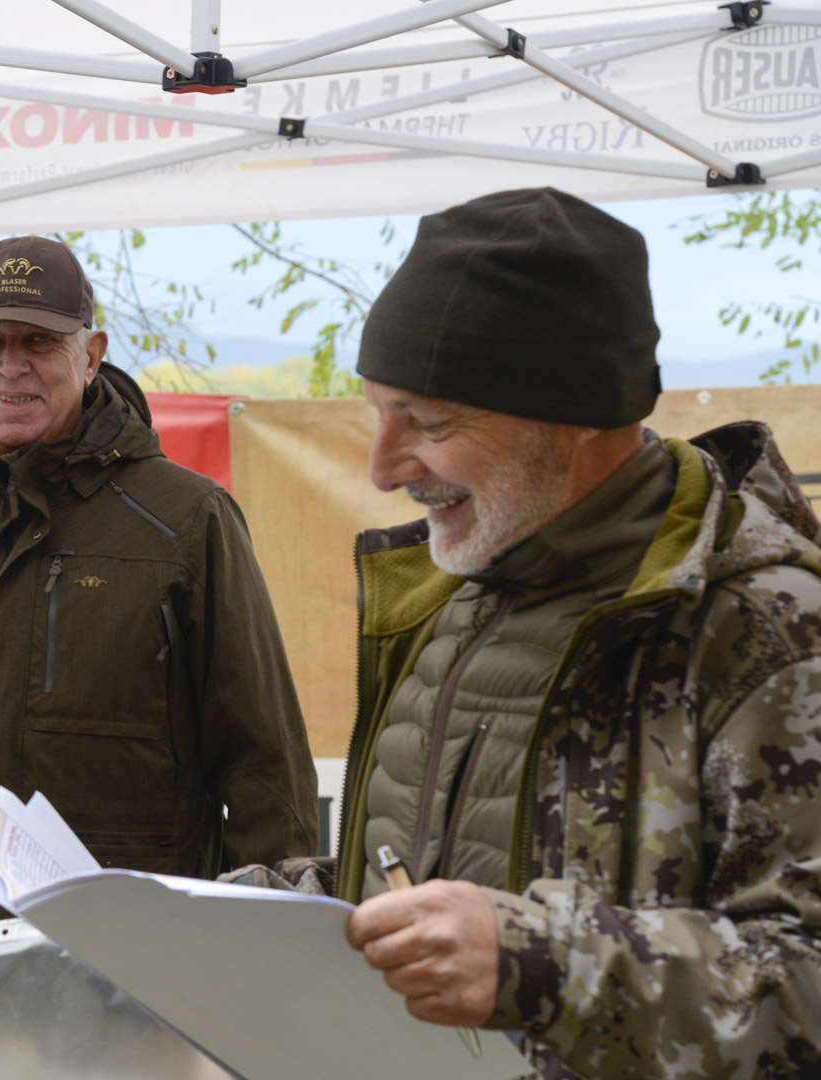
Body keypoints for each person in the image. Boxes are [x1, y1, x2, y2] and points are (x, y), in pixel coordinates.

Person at [232, 187, 821, 1078]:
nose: (383, 467)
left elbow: (806, 981)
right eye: (377, 411)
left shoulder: (764, 631)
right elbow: (412, 874)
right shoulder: (453, 594)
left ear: (577, 418)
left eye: (426, 423)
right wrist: (213, 910)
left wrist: (544, 964)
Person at [0, 235, 320, 936]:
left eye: (40, 341)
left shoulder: (186, 521)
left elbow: (263, 761)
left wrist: (273, 947)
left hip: (129, 961)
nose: (11, 366)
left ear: (91, 356)